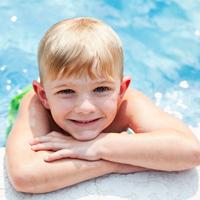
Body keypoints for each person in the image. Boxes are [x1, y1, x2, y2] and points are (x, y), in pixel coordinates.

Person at [6, 17, 200, 194]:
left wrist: (100, 146)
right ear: (44, 95)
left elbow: (191, 151)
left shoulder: (128, 103)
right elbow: (25, 176)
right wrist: (115, 164)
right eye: (66, 91)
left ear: (121, 90)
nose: (85, 108)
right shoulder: (36, 104)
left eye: (101, 89)